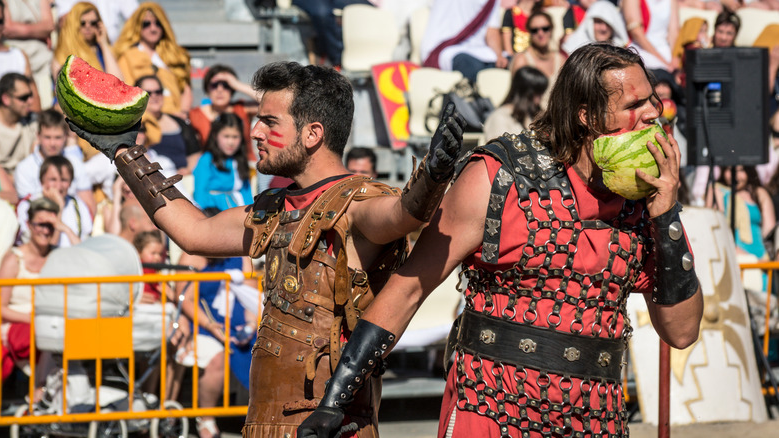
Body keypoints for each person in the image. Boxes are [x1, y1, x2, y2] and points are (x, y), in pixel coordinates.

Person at [298, 43, 703, 438]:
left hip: (596, 417)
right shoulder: (502, 176)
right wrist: (336, 397)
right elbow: (409, 287)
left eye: (654, 101)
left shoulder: (646, 203)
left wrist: (665, 213)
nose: (653, 114)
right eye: (635, 106)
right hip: (492, 408)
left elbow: (682, 332)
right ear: (587, 116)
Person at [67, 61, 466, 436]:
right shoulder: (274, 207)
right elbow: (194, 233)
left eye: (269, 122)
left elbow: (400, 214)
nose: (255, 132)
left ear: (313, 134)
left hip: (329, 425)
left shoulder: (357, 202)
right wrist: (124, 152)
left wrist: (432, 175)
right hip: (263, 420)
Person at [172, 208, 259, 438]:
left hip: (240, 321)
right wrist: (213, 327)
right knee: (217, 358)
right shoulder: (192, 255)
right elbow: (184, 298)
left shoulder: (238, 254)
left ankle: (261, 417)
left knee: (267, 350)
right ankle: (206, 419)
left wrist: (250, 326)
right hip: (202, 321)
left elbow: (251, 296)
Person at [0, 196, 57, 380]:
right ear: (29, 225)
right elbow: (0, 307)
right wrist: (31, 318)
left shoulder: (58, 257)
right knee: (48, 333)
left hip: (48, 324)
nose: (45, 230)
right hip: (18, 324)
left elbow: (83, 259)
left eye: (50, 226)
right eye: (40, 224)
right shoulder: (14, 259)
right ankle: (39, 391)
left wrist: (65, 229)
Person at [113, 2, 191, 116]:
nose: (153, 28)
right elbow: (125, 95)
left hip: (176, 118)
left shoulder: (174, 56)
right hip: (144, 121)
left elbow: (186, 90)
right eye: (146, 24)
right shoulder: (127, 57)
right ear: (137, 27)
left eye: (158, 23)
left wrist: (183, 115)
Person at [14, 109, 95, 215]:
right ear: (38, 136)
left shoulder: (75, 163)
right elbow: (27, 211)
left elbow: (89, 207)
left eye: (58, 137)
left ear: (66, 136)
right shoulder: (24, 169)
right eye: (47, 137)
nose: (52, 143)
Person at [421, 0, 507, 83]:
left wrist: (499, 56)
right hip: (445, 49)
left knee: (510, 63)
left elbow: (492, 32)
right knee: (472, 67)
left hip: (480, 51)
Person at [17, 156, 92, 247]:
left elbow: (84, 246)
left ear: (70, 182)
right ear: (42, 181)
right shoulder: (27, 206)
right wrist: (58, 207)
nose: (58, 186)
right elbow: (45, 249)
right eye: (53, 179)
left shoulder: (78, 206)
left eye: (64, 180)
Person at [188, 64, 258, 160]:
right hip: (212, 170)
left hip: (244, 169)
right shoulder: (195, 114)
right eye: (214, 85)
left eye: (226, 85)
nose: (220, 90)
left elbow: (270, 101)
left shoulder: (242, 108)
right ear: (207, 88)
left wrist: (237, 84)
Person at [135, 74, 200, 175]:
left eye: (158, 92)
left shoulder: (179, 122)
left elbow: (194, 153)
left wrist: (189, 170)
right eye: (148, 93)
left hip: (182, 181)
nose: (154, 96)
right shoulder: (134, 126)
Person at [193, 113, 253, 211]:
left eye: (235, 137)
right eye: (226, 136)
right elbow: (200, 193)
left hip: (240, 209)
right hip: (215, 211)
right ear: (215, 135)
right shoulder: (207, 159)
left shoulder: (239, 159)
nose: (231, 142)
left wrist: (252, 212)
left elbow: (246, 192)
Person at [1, 0, 53, 109]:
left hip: (43, 63)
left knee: (45, 106)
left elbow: (49, 25)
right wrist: (40, 33)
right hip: (17, 59)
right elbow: (7, 28)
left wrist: (22, 29)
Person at [52, 1, 124, 80]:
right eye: (82, 23)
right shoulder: (62, 54)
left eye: (93, 23)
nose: (88, 26)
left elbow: (118, 81)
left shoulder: (102, 50)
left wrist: (104, 44)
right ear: (73, 24)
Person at [509, 11, 566, 108]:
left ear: (552, 29)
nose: (540, 33)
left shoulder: (561, 60)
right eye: (534, 30)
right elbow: (518, 98)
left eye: (545, 28)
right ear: (529, 32)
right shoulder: (522, 60)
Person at [482, 65, 547, 140]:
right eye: (538, 93)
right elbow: (496, 148)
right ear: (527, 94)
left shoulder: (534, 115)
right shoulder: (500, 117)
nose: (541, 97)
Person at [623, 0, 679, 73]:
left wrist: (674, 59)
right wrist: (663, 62)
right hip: (641, 50)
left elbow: (674, 31)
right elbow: (636, 32)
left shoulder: (672, 1)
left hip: (665, 53)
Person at [0, 72, 37, 173]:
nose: (30, 101)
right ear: (6, 99)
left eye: (30, 95)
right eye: (23, 97)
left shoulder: (33, 121)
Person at [561, 0, 629, 56]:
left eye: (608, 24)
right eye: (599, 22)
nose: (603, 28)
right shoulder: (571, 52)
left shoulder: (624, 55)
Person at [134, 229, 165, 303]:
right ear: (139, 251)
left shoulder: (153, 269)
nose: (157, 257)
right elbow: (158, 286)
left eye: (160, 254)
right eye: (153, 253)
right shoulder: (144, 268)